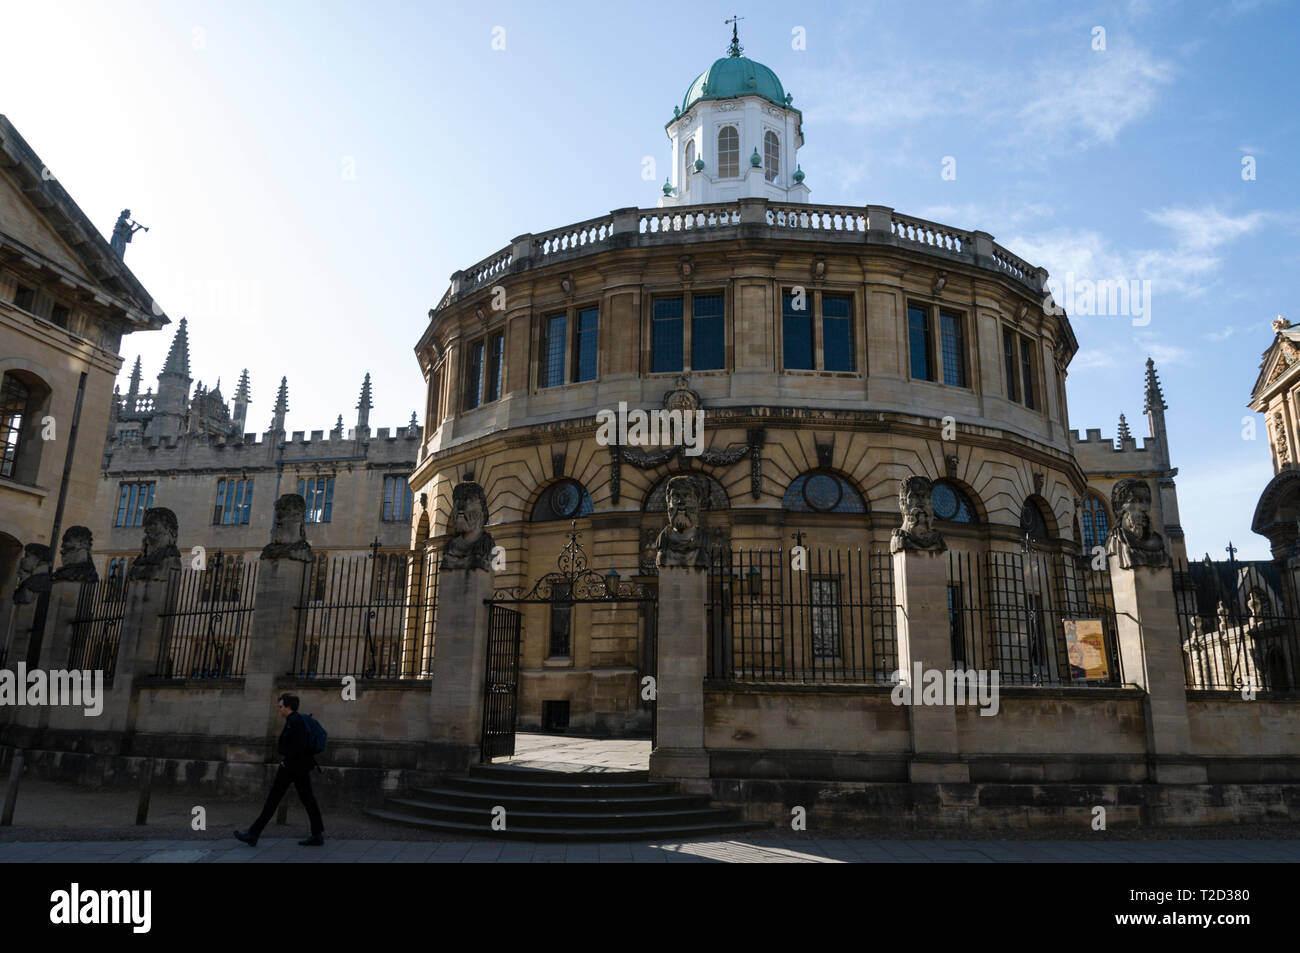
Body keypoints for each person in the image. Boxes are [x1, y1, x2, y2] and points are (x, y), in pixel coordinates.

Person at [234, 693, 325, 846]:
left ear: (288, 707)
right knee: (308, 800)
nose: (279, 709)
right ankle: (317, 834)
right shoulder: (295, 720)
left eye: (281, 706)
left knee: (274, 800)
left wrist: (285, 757)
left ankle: (253, 834)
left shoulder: (295, 722)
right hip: (298, 767)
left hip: (292, 768)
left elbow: (297, 746)